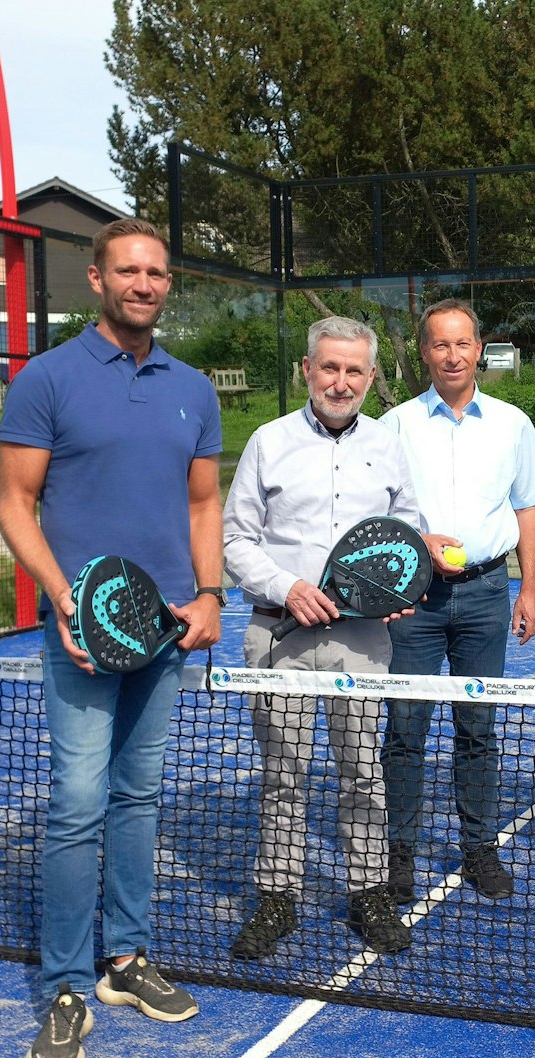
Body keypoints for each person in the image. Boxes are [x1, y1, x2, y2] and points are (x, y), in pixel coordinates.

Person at [0, 218, 225, 1058]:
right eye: (127, 269)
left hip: (166, 631)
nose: (143, 283)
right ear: (95, 278)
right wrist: (66, 598)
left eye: (156, 272)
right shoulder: (45, 378)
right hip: (84, 634)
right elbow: (16, 502)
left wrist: (209, 596)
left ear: (168, 284)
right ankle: (64, 986)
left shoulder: (192, 388)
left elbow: (205, 505)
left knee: (137, 796)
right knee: (77, 802)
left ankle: (126, 959)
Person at [222, 315, 420, 961]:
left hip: (362, 640)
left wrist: (397, 590)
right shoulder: (267, 441)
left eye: (354, 370)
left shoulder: (389, 445)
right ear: (307, 369)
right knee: (284, 773)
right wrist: (288, 587)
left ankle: (368, 891)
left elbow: (407, 530)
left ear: (368, 376)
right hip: (279, 635)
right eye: (329, 368)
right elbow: (234, 540)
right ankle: (277, 896)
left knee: (364, 772)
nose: (341, 381)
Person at [378, 298, 535, 902]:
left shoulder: (513, 423)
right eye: (438, 344)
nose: (452, 355)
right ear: (424, 352)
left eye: (462, 344)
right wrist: (417, 541)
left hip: (486, 592)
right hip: (413, 597)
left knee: (478, 728)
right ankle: (397, 852)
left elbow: (530, 507)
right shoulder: (394, 425)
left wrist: (529, 586)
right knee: (404, 727)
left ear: (480, 349)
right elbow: (375, 509)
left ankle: (479, 848)